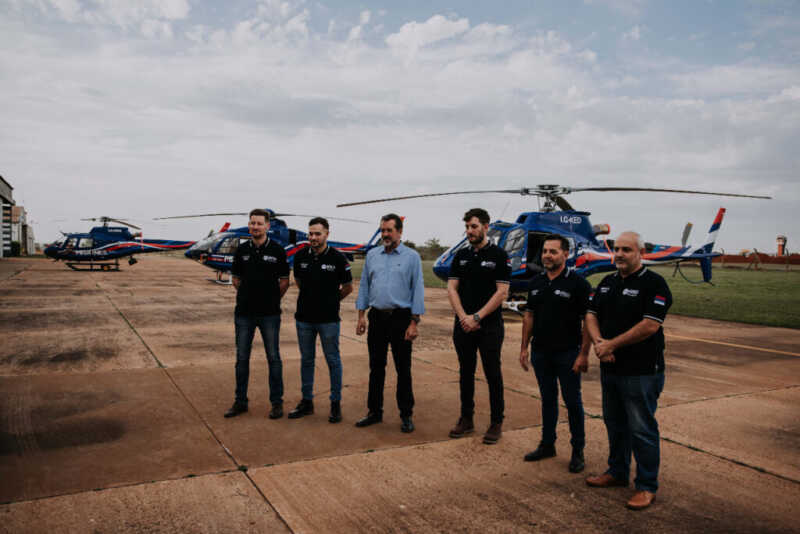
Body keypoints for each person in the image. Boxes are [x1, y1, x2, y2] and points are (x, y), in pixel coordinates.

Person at [584, 231, 673, 511]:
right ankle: (617, 472)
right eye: (616, 249)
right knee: (615, 424)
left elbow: (650, 325)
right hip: (611, 368)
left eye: (626, 249)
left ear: (640, 253)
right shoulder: (607, 282)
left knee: (642, 429)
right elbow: (590, 314)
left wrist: (611, 344)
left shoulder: (654, 283)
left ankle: (646, 486)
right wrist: (600, 344)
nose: (619, 254)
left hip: (641, 371)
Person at [519, 233, 591, 472]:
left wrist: (583, 354)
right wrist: (524, 348)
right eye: (545, 251)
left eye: (553, 251)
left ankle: (577, 450)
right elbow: (528, 316)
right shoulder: (536, 282)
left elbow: (588, 321)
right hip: (541, 352)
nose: (547, 256)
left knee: (572, 402)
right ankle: (547, 444)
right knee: (547, 400)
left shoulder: (578, 284)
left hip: (568, 353)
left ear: (566, 255)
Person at [355, 213, 424, 433]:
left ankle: (406, 415)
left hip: (401, 318)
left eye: (389, 230)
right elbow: (365, 286)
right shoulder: (372, 255)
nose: (385, 234)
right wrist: (361, 315)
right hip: (376, 317)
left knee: (403, 369)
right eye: (382, 230)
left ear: (400, 232)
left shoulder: (412, 257)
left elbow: (417, 291)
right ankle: (374, 412)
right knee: (376, 367)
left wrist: (414, 323)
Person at [446, 208, 511, 445]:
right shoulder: (461, 255)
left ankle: (496, 422)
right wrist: (464, 316)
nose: (469, 231)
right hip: (463, 324)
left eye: (473, 226)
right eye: (467, 227)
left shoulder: (499, 255)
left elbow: (502, 292)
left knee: (493, 373)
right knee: (465, 372)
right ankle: (466, 418)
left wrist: (478, 317)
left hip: (489, 326)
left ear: (485, 226)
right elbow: (452, 288)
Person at [224, 209, 290, 419]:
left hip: (270, 314)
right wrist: (247, 295)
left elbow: (284, 281)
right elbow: (236, 279)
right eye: (252, 223)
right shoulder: (242, 250)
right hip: (244, 314)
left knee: (274, 358)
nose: (255, 227)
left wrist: (270, 298)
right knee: (241, 358)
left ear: (267, 226)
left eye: (259, 223)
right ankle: (240, 401)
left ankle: (277, 403)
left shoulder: (278, 250)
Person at [289, 217, 353, 423]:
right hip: (304, 319)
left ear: (327, 234)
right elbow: (298, 281)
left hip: (328, 321)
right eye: (311, 234)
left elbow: (348, 287)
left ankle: (335, 404)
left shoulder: (338, 258)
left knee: (333, 360)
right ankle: (307, 402)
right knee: (306, 361)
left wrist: (331, 302)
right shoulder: (299, 257)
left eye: (317, 233)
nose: (313, 237)